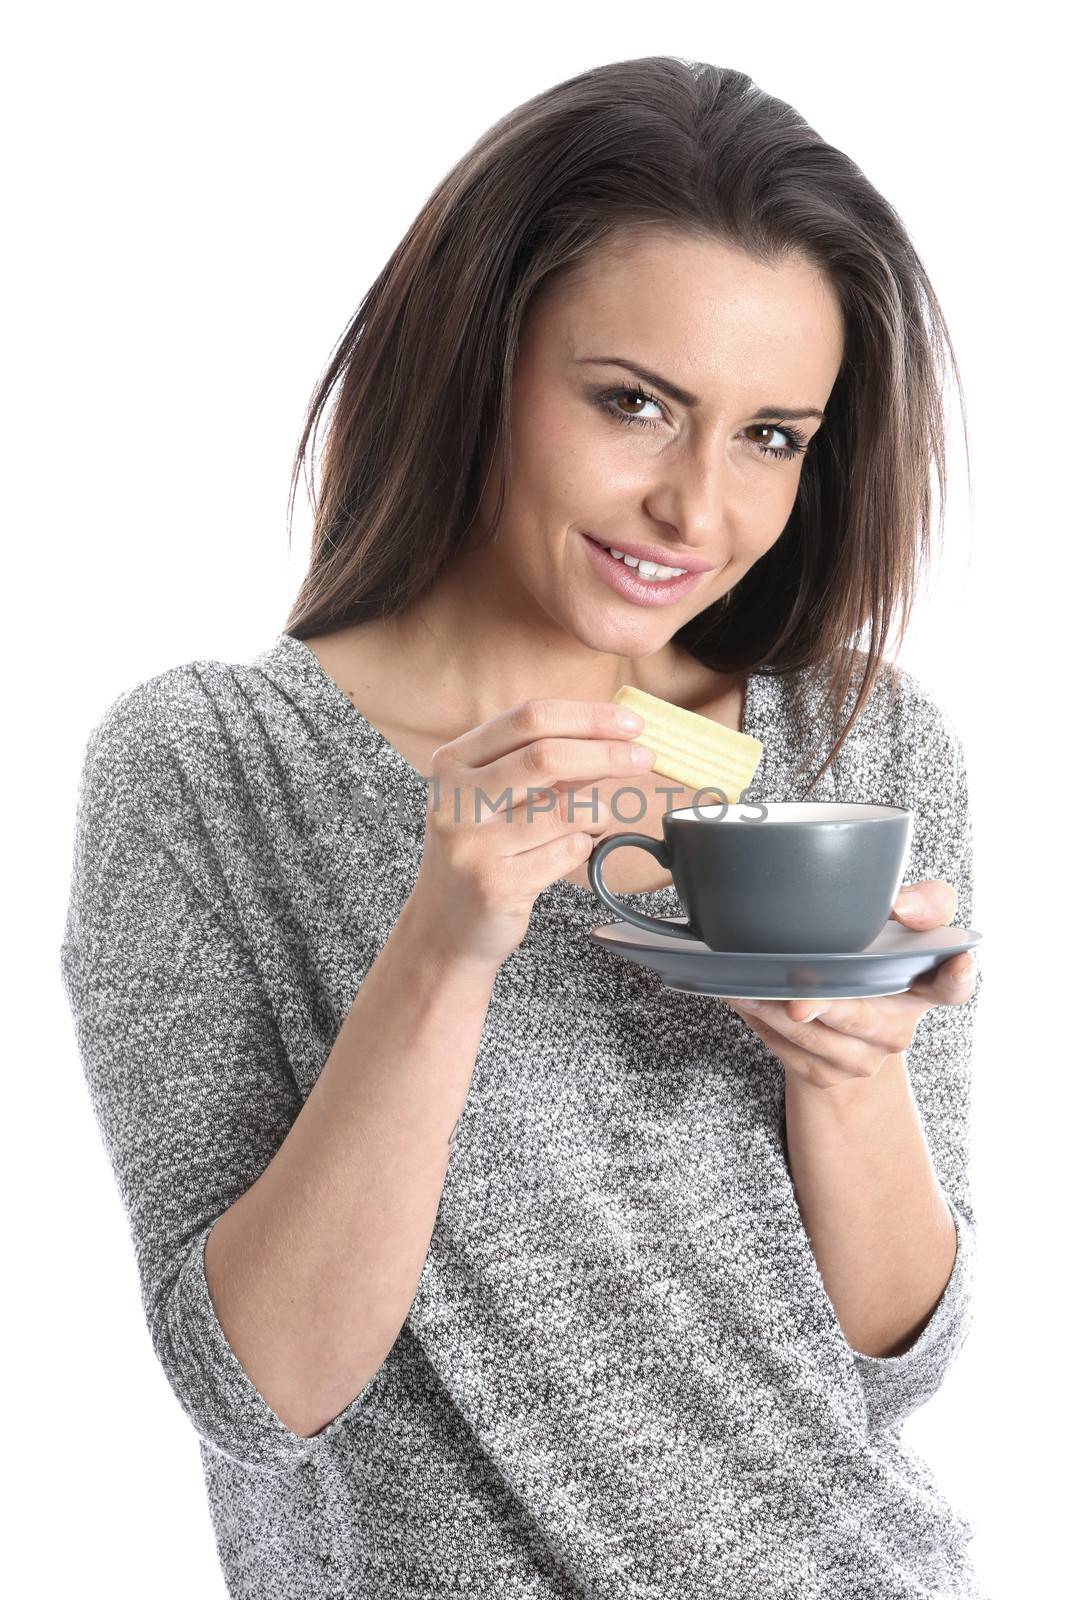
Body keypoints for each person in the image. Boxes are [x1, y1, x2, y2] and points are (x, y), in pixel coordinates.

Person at [59, 56, 984, 1600]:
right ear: (475, 361)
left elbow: (893, 1366)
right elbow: (256, 1394)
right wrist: (445, 939)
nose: (699, 511)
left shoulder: (856, 743)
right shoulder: (206, 771)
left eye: (772, 435)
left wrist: (853, 1074)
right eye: (634, 404)